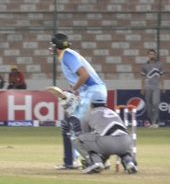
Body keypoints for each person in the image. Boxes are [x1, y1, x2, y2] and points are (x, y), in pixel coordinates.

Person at [48, 32, 108, 170]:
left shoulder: (67, 56)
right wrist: (72, 89)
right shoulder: (70, 54)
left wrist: (72, 91)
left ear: (56, 46)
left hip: (91, 90)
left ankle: (73, 160)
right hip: (95, 90)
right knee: (92, 126)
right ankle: (103, 158)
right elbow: (79, 77)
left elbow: (84, 75)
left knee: (74, 125)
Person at [72, 94, 138, 174]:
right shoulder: (113, 112)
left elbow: (85, 134)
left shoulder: (88, 114)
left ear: (91, 104)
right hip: (126, 141)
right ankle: (129, 162)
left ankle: (95, 162)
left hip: (106, 142)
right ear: (105, 104)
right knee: (119, 143)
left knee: (78, 139)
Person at [139, 48, 165, 127]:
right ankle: (151, 122)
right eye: (150, 54)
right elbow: (143, 77)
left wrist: (163, 86)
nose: (152, 55)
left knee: (155, 103)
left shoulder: (159, 65)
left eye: (153, 54)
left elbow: (162, 76)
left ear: (155, 55)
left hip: (156, 87)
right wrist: (142, 88)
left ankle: (156, 122)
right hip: (148, 87)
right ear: (148, 55)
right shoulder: (144, 66)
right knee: (149, 105)